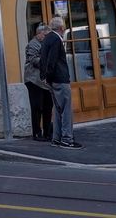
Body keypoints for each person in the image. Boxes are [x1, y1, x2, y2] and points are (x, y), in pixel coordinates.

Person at [39, 15, 81, 149]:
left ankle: (56, 138)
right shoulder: (56, 40)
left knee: (57, 110)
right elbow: (52, 60)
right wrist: (49, 76)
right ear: (62, 28)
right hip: (59, 79)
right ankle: (67, 139)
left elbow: (42, 59)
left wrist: (44, 77)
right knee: (66, 110)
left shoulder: (46, 39)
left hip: (51, 80)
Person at [23, 22, 54, 142]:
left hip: (45, 82)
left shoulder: (46, 44)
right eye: (45, 35)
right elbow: (33, 60)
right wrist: (47, 60)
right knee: (36, 107)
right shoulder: (33, 44)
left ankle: (47, 132)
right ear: (39, 34)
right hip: (34, 80)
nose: (46, 37)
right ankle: (36, 133)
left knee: (48, 106)